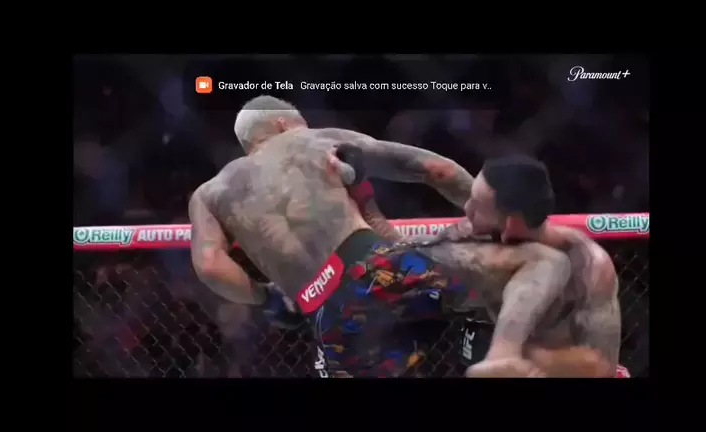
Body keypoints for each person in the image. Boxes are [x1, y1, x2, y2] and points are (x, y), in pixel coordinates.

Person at [188, 95, 572, 377]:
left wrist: (265, 297)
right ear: (283, 125)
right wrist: (492, 224)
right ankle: (495, 359)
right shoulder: (311, 140)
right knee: (529, 267)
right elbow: (436, 170)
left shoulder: (210, 193)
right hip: (381, 270)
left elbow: (209, 264)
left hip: (329, 317)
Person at [334, 153, 623, 377]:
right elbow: (402, 255)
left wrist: (524, 358)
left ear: (510, 224)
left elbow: (602, 364)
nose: (467, 210)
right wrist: (363, 198)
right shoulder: (474, 235)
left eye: (477, 205)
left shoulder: (588, 265)